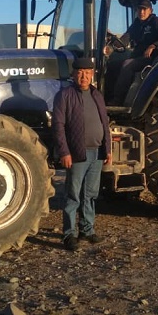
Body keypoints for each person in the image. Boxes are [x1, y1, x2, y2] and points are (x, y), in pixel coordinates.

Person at [52, 57, 112, 251]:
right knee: (73, 195)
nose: (83, 76)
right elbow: (58, 126)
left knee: (90, 194)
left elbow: (105, 123)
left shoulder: (96, 95)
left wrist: (108, 149)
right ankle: (69, 234)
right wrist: (64, 152)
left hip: (97, 153)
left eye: (87, 73)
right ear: (73, 74)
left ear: (92, 74)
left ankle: (87, 229)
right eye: (80, 72)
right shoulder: (65, 95)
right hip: (77, 153)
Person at [109, 0, 158, 105]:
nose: (141, 12)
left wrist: (153, 45)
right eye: (139, 9)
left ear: (150, 11)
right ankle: (106, 97)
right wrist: (113, 43)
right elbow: (126, 38)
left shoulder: (155, 22)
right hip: (138, 57)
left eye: (144, 9)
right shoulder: (136, 24)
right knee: (112, 65)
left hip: (151, 59)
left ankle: (118, 100)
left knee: (127, 65)